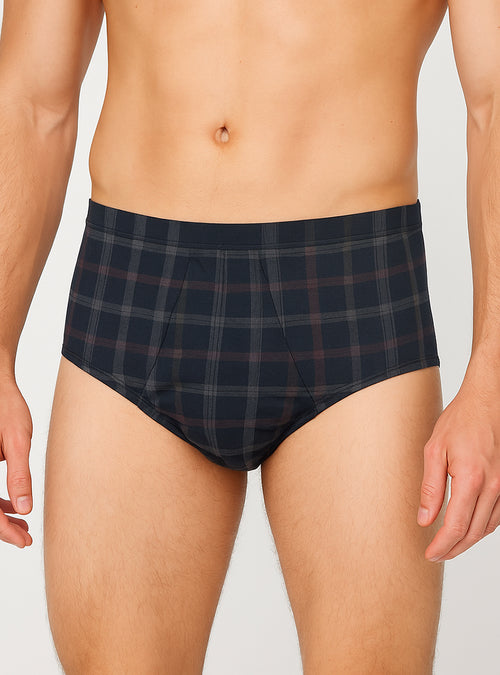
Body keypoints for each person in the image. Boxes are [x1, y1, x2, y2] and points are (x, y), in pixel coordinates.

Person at [0, 0, 499, 672]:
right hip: (136, 287)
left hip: (351, 291)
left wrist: (493, 373)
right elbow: (32, 102)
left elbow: (494, 101)